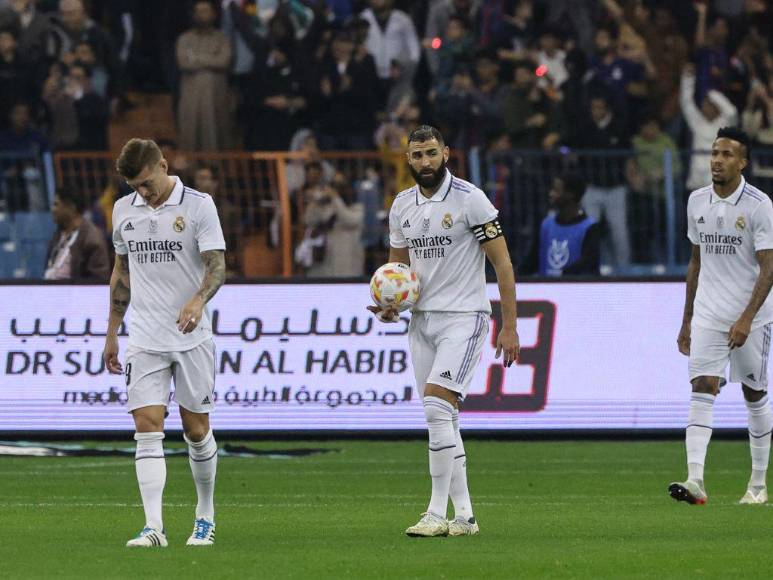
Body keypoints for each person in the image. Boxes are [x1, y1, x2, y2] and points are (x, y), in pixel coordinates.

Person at [368, 125, 520, 537]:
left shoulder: (471, 199)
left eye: (431, 153)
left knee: (437, 407)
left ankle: (435, 513)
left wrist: (509, 325)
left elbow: (502, 264)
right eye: (417, 156)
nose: (425, 162)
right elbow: (397, 270)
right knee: (443, 418)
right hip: (423, 322)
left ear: (446, 153)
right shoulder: (402, 205)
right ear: (409, 159)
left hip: (465, 318)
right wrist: (389, 306)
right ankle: (465, 516)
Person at [103, 138, 226, 547]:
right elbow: (121, 273)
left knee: (196, 429)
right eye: (134, 185)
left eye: (146, 182)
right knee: (146, 426)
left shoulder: (198, 205)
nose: (142, 192)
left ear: (163, 165)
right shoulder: (123, 211)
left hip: (192, 337)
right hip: (144, 337)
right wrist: (112, 331)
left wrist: (197, 298)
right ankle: (153, 527)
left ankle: (204, 516)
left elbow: (217, 267)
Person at [670, 127, 773, 506]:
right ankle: (695, 480)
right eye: (715, 152)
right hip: (708, 315)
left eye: (728, 154)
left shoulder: (759, 205)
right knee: (702, 386)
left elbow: (768, 267)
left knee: (755, 393)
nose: (717, 159)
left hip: (754, 318)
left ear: (743, 162)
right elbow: (695, 263)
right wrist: (686, 320)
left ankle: (758, 485)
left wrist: (747, 317)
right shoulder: (697, 201)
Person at [176, 0, 233, 151]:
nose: (202, 15)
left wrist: (197, 58)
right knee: (190, 133)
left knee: (216, 131)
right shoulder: (185, 39)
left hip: (216, 96)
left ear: (214, 14)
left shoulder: (222, 38)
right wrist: (210, 60)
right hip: (191, 96)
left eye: (205, 11)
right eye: (198, 11)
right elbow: (184, 62)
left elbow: (224, 61)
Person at [521, 173, 600, 277]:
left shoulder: (589, 227)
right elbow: (532, 260)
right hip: (546, 290)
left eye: (556, 190)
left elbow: (589, 264)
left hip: (576, 290)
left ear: (571, 194)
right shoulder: (546, 225)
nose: (551, 194)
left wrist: (562, 276)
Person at [44, 186, 109, 281]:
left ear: (71, 207)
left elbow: (99, 280)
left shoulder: (92, 237)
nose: (53, 209)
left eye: (56, 204)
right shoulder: (59, 234)